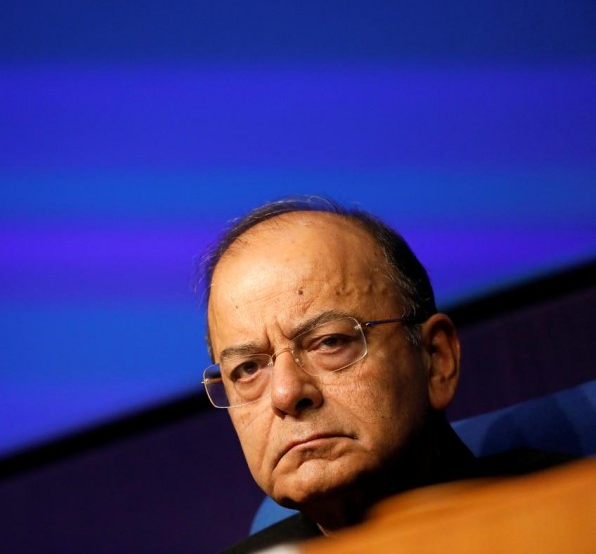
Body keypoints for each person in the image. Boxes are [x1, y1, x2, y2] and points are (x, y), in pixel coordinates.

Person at [199, 196, 570, 553]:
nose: (285, 393)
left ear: (436, 359)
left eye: (330, 342)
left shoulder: (573, 516)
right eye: (248, 369)